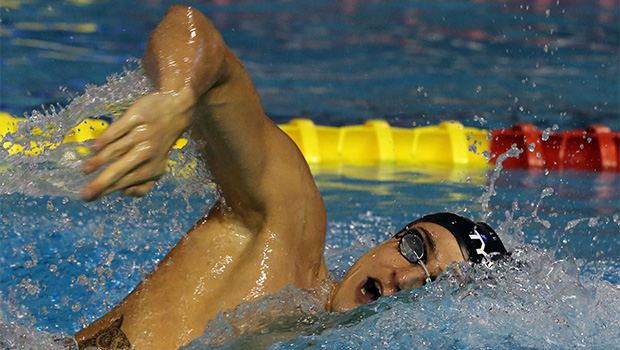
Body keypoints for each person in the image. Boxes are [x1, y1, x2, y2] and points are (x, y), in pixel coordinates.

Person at [73, 5, 507, 350]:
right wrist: (176, 97)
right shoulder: (283, 231)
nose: (406, 278)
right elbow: (192, 29)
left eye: (433, 285)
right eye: (416, 249)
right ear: (391, 238)